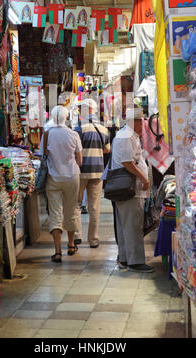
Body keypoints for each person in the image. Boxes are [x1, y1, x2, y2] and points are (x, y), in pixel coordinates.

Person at [110, 107, 154, 273]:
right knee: (133, 225)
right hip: (130, 189)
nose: (143, 124)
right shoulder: (126, 136)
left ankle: (125, 258)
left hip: (129, 189)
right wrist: (143, 178)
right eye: (141, 121)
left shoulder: (127, 135)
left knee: (126, 226)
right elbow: (128, 163)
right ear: (135, 121)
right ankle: (135, 261)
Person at [45, 105, 83, 263]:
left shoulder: (47, 135)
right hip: (72, 177)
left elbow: (43, 155)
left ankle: (58, 251)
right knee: (71, 210)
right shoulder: (73, 135)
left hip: (53, 177)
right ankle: (72, 245)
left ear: (53, 118)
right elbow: (80, 161)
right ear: (66, 118)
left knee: (55, 213)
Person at [74, 98, 110, 248]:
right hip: (98, 171)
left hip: (81, 171)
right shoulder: (103, 128)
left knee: (76, 204)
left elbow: (75, 148)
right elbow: (108, 149)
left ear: (88, 109)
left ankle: (77, 236)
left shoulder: (79, 127)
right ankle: (93, 239)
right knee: (94, 207)